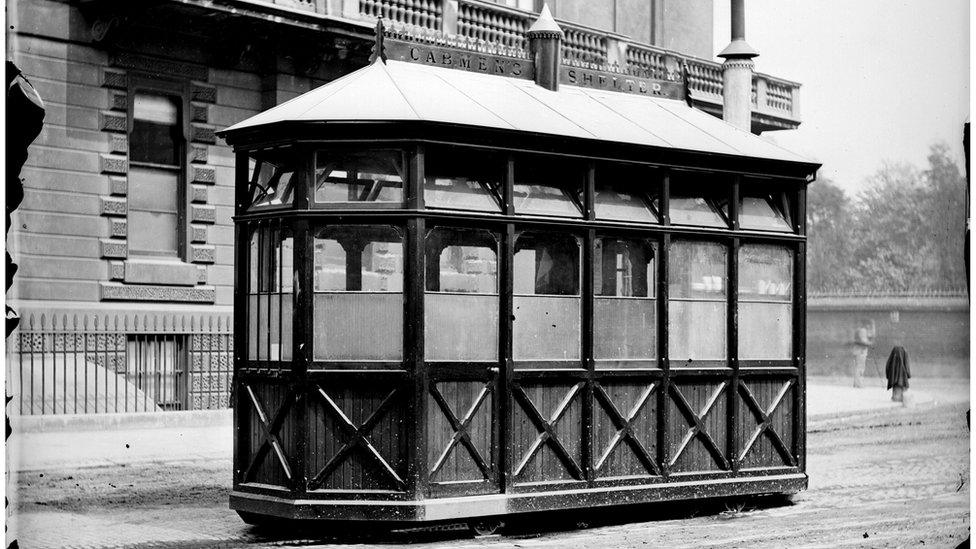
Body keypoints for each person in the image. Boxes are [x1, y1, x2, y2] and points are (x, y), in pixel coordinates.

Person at [851, 318, 874, 388]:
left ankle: (856, 383)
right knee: (860, 367)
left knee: (857, 367)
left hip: (856, 350)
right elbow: (863, 341)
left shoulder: (857, 330)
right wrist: (870, 343)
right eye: (869, 325)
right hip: (861, 350)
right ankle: (859, 383)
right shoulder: (863, 330)